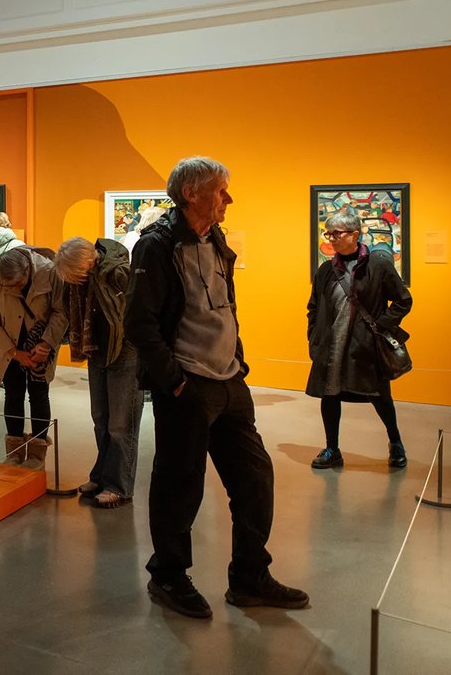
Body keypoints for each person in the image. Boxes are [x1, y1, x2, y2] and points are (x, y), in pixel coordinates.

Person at [126, 156, 308, 620]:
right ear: (192, 193)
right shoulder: (157, 245)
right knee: (178, 487)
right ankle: (168, 575)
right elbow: (141, 324)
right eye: (221, 190)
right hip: (188, 386)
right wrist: (174, 383)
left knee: (255, 478)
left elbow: (224, 307)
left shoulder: (215, 239)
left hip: (229, 382)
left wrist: (238, 360)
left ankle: (249, 576)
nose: (229, 198)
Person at [305, 210, 413, 469]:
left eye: (337, 233)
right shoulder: (325, 270)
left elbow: (403, 301)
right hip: (331, 346)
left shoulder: (379, 265)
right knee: (329, 396)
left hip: (365, 345)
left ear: (354, 235)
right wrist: (314, 336)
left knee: (379, 395)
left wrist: (380, 326)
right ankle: (332, 449)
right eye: (328, 233)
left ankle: (395, 442)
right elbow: (313, 306)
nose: (331, 238)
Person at [56, 236, 143, 508]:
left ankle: (119, 486)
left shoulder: (118, 273)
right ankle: (102, 476)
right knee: (101, 419)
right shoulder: (87, 277)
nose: (74, 281)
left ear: (87, 262)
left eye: (75, 274)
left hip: (125, 351)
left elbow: (138, 312)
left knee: (121, 424)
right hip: (98, 350)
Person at [0, 246, 67, 470]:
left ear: (28, 270)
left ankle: (37, 455)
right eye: (8, 285)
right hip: (9, 347)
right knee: (13, 394)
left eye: (18, 284)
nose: (14, 288)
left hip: (41, 346)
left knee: (39, 395)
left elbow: (61, 311)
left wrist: (47, 344)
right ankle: (15, 452)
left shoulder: (50, 272)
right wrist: (13, 352)